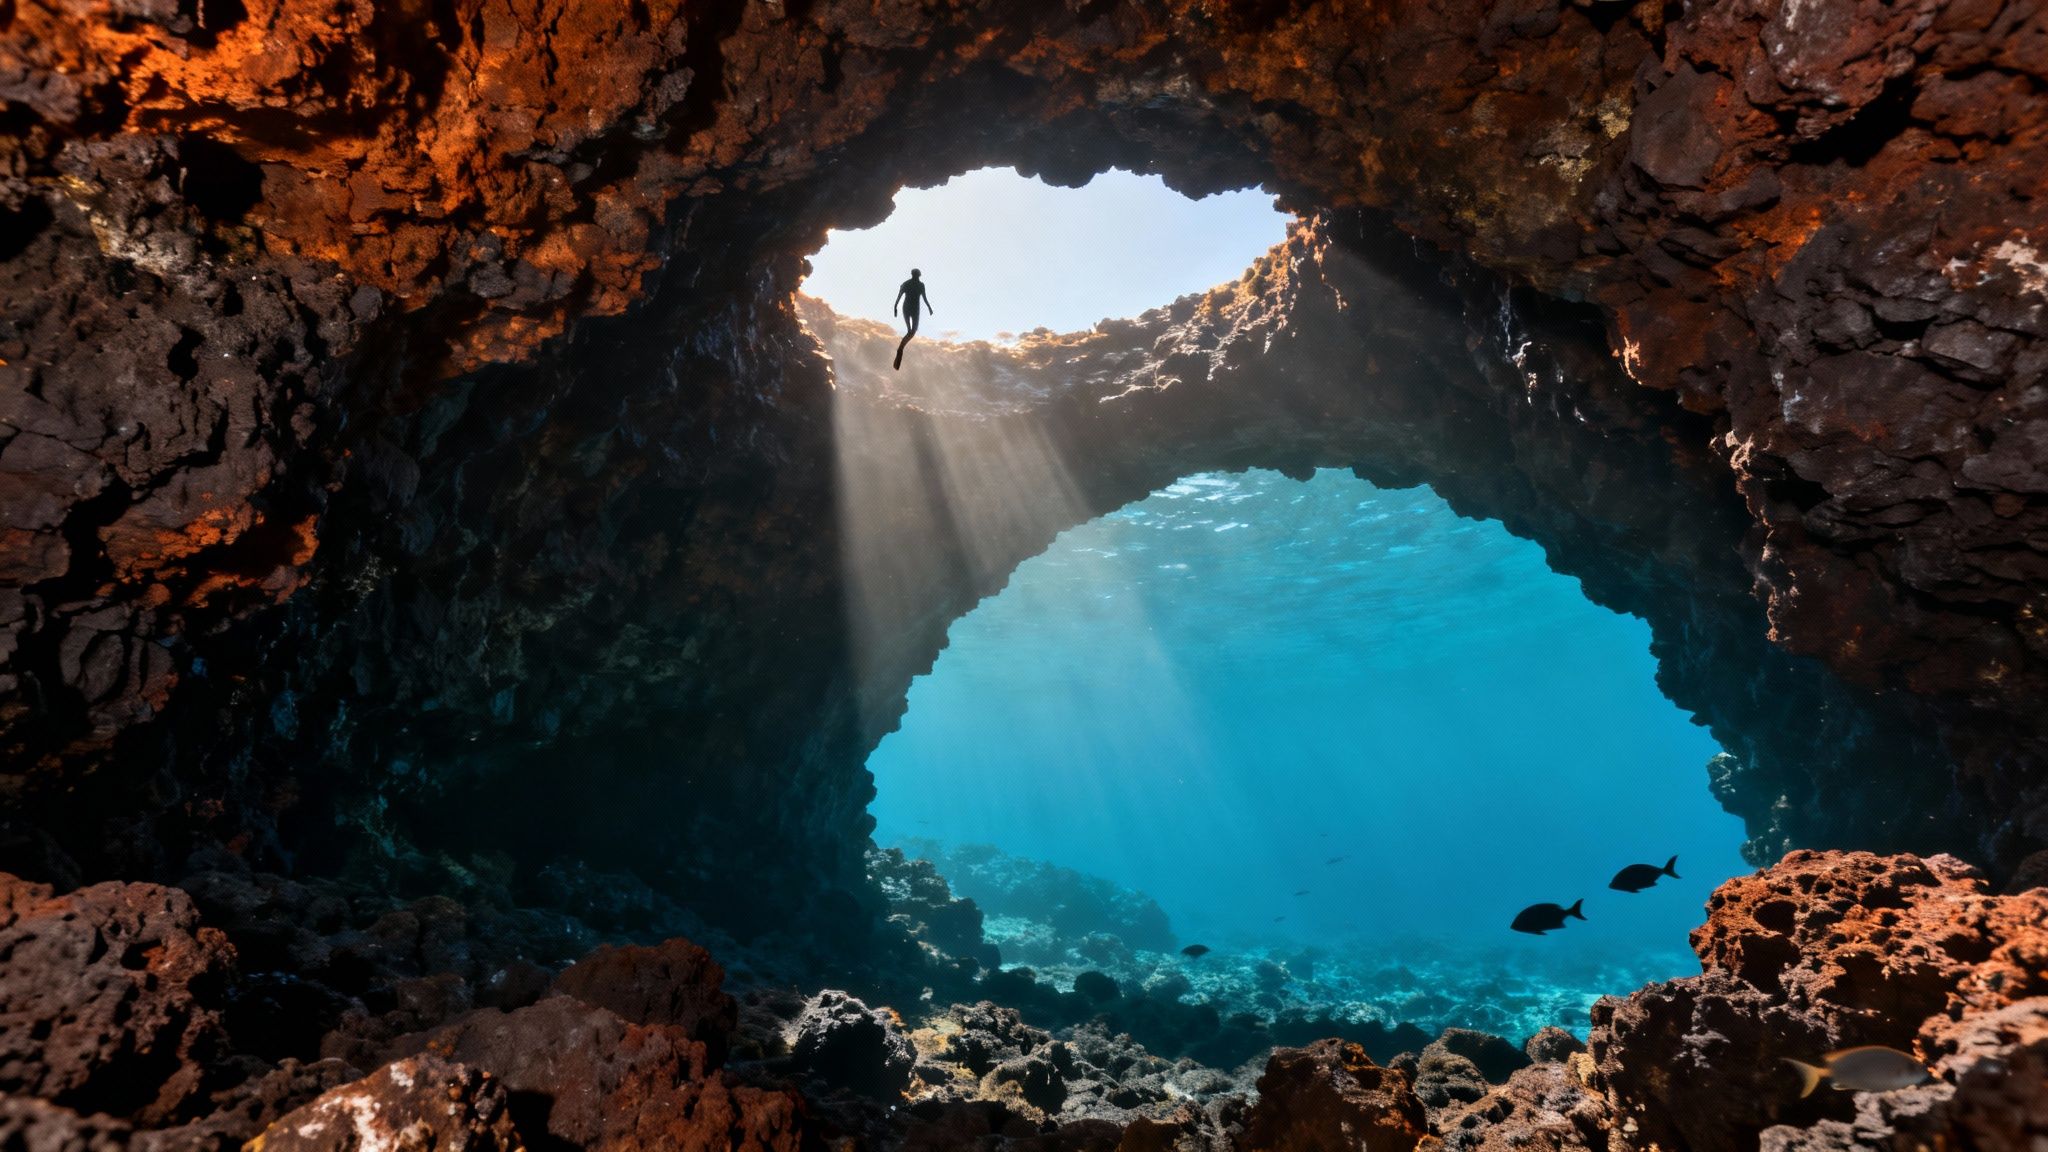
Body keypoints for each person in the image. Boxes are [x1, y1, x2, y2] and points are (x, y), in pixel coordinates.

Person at [892, 269, 933, 370]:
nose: (916, 276)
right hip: (907, 308)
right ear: (914, 275)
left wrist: (929, 307)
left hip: (915, 309)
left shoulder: (921, 285)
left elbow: (924, 298)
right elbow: (899, 296)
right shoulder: (906, 284)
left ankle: (901, 347)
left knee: (912, 332)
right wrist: (895, 307)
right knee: (910, 331)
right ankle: (900, 349)